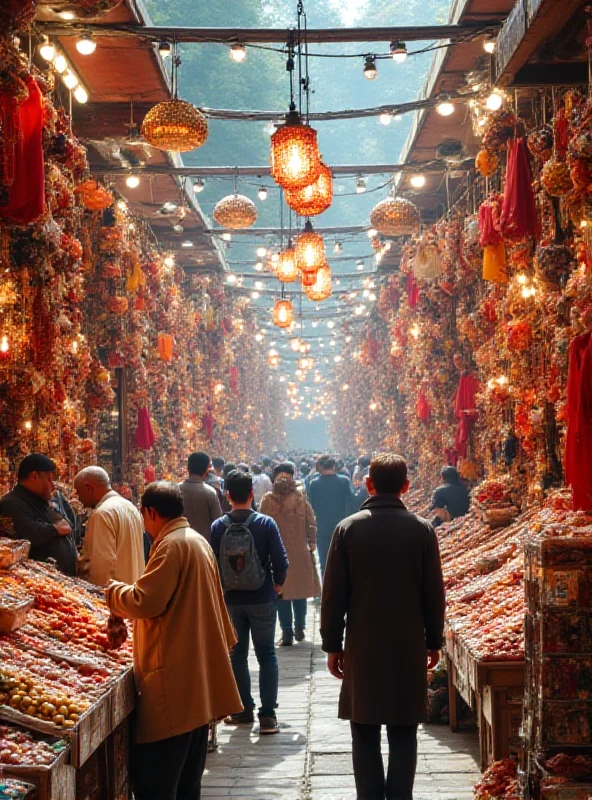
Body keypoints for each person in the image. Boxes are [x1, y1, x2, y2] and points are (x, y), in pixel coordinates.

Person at [105, 481, 242, 800]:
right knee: (188, 783)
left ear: (150, 512)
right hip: (194, 676)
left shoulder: (170, 545)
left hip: (175, 681)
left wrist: (113, 593)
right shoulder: (194, 539)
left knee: (159, 782)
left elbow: (145, 601)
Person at [321, 453, 446, 800]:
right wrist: (433, 640)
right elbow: (434, 593)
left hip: (362, 645)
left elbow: (333, 594)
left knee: (364, 727)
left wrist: (332, 644)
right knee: (404, 729)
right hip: (408, 644)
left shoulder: (348, 529)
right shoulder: (422, 530)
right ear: (406, 487)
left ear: (368, 483)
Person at [211, 470, 288, 735]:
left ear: (228, 495)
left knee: (238, 655)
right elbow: (281, 560)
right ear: (252, 493)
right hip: (262, 597)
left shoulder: (218, 526)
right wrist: (277, 584)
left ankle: (243, 709)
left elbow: (213, 563)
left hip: (231, 600)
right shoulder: (265, 523)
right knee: (267, 654)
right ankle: (268, 716)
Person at [260, 462, 320, 646]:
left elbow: (262, 524)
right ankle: (300, 627)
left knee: (281, 591)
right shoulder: (300, 497)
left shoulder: (268, 499)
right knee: (300, 591)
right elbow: (311, 521)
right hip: (300, 550)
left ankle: (286, 631)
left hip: (277, 552)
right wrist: (311, 542)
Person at [0, 454, 76, 574]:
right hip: (32, 579)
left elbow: (66, 524)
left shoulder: (42, 500)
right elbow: (26, 534)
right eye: (49, 479)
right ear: (34, 476)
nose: (52, 485)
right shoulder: (11, 503)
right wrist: (55, 529)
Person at [75, 466, 145, 587]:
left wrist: (97, 598)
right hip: (131, 591)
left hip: (113, 596)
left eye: (78, 492)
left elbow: (102, 565)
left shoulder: (102, 513)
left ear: (89, 488)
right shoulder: (130, 507)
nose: (78, 498)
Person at [308, 455, 354, 576]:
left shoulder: (314, 483)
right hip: (341, 524)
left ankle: (327, 590)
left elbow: (311, 504)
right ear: (334, 466)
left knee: (325, 561)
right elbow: (350, 502)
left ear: (320, 467)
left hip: (322, 526)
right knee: (343, 560)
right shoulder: (344, 481)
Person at [179, 452, 223, 543]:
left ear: (188, 468)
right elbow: (218, 522)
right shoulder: (210, 493)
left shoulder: (175, 490)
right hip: (204, 546)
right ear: (207, 469)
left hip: (179, 545)